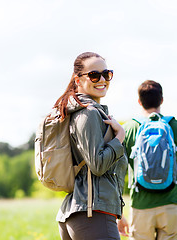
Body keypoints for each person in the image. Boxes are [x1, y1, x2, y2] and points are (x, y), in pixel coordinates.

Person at [55, 52, 128, 240]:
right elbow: (97, 165)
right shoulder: (88, 114)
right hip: (92, 215)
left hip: (84, 213)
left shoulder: (84, 112)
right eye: (94, 75)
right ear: (77, 80)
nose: (102, 79)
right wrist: (119, 137)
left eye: (107, 74)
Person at [117, 80, 177, 240]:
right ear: (161, 100)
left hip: (140, 208)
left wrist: (118, 214)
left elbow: (117, 174)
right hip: (171, 206)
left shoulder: (128, 129)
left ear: (139, 102)